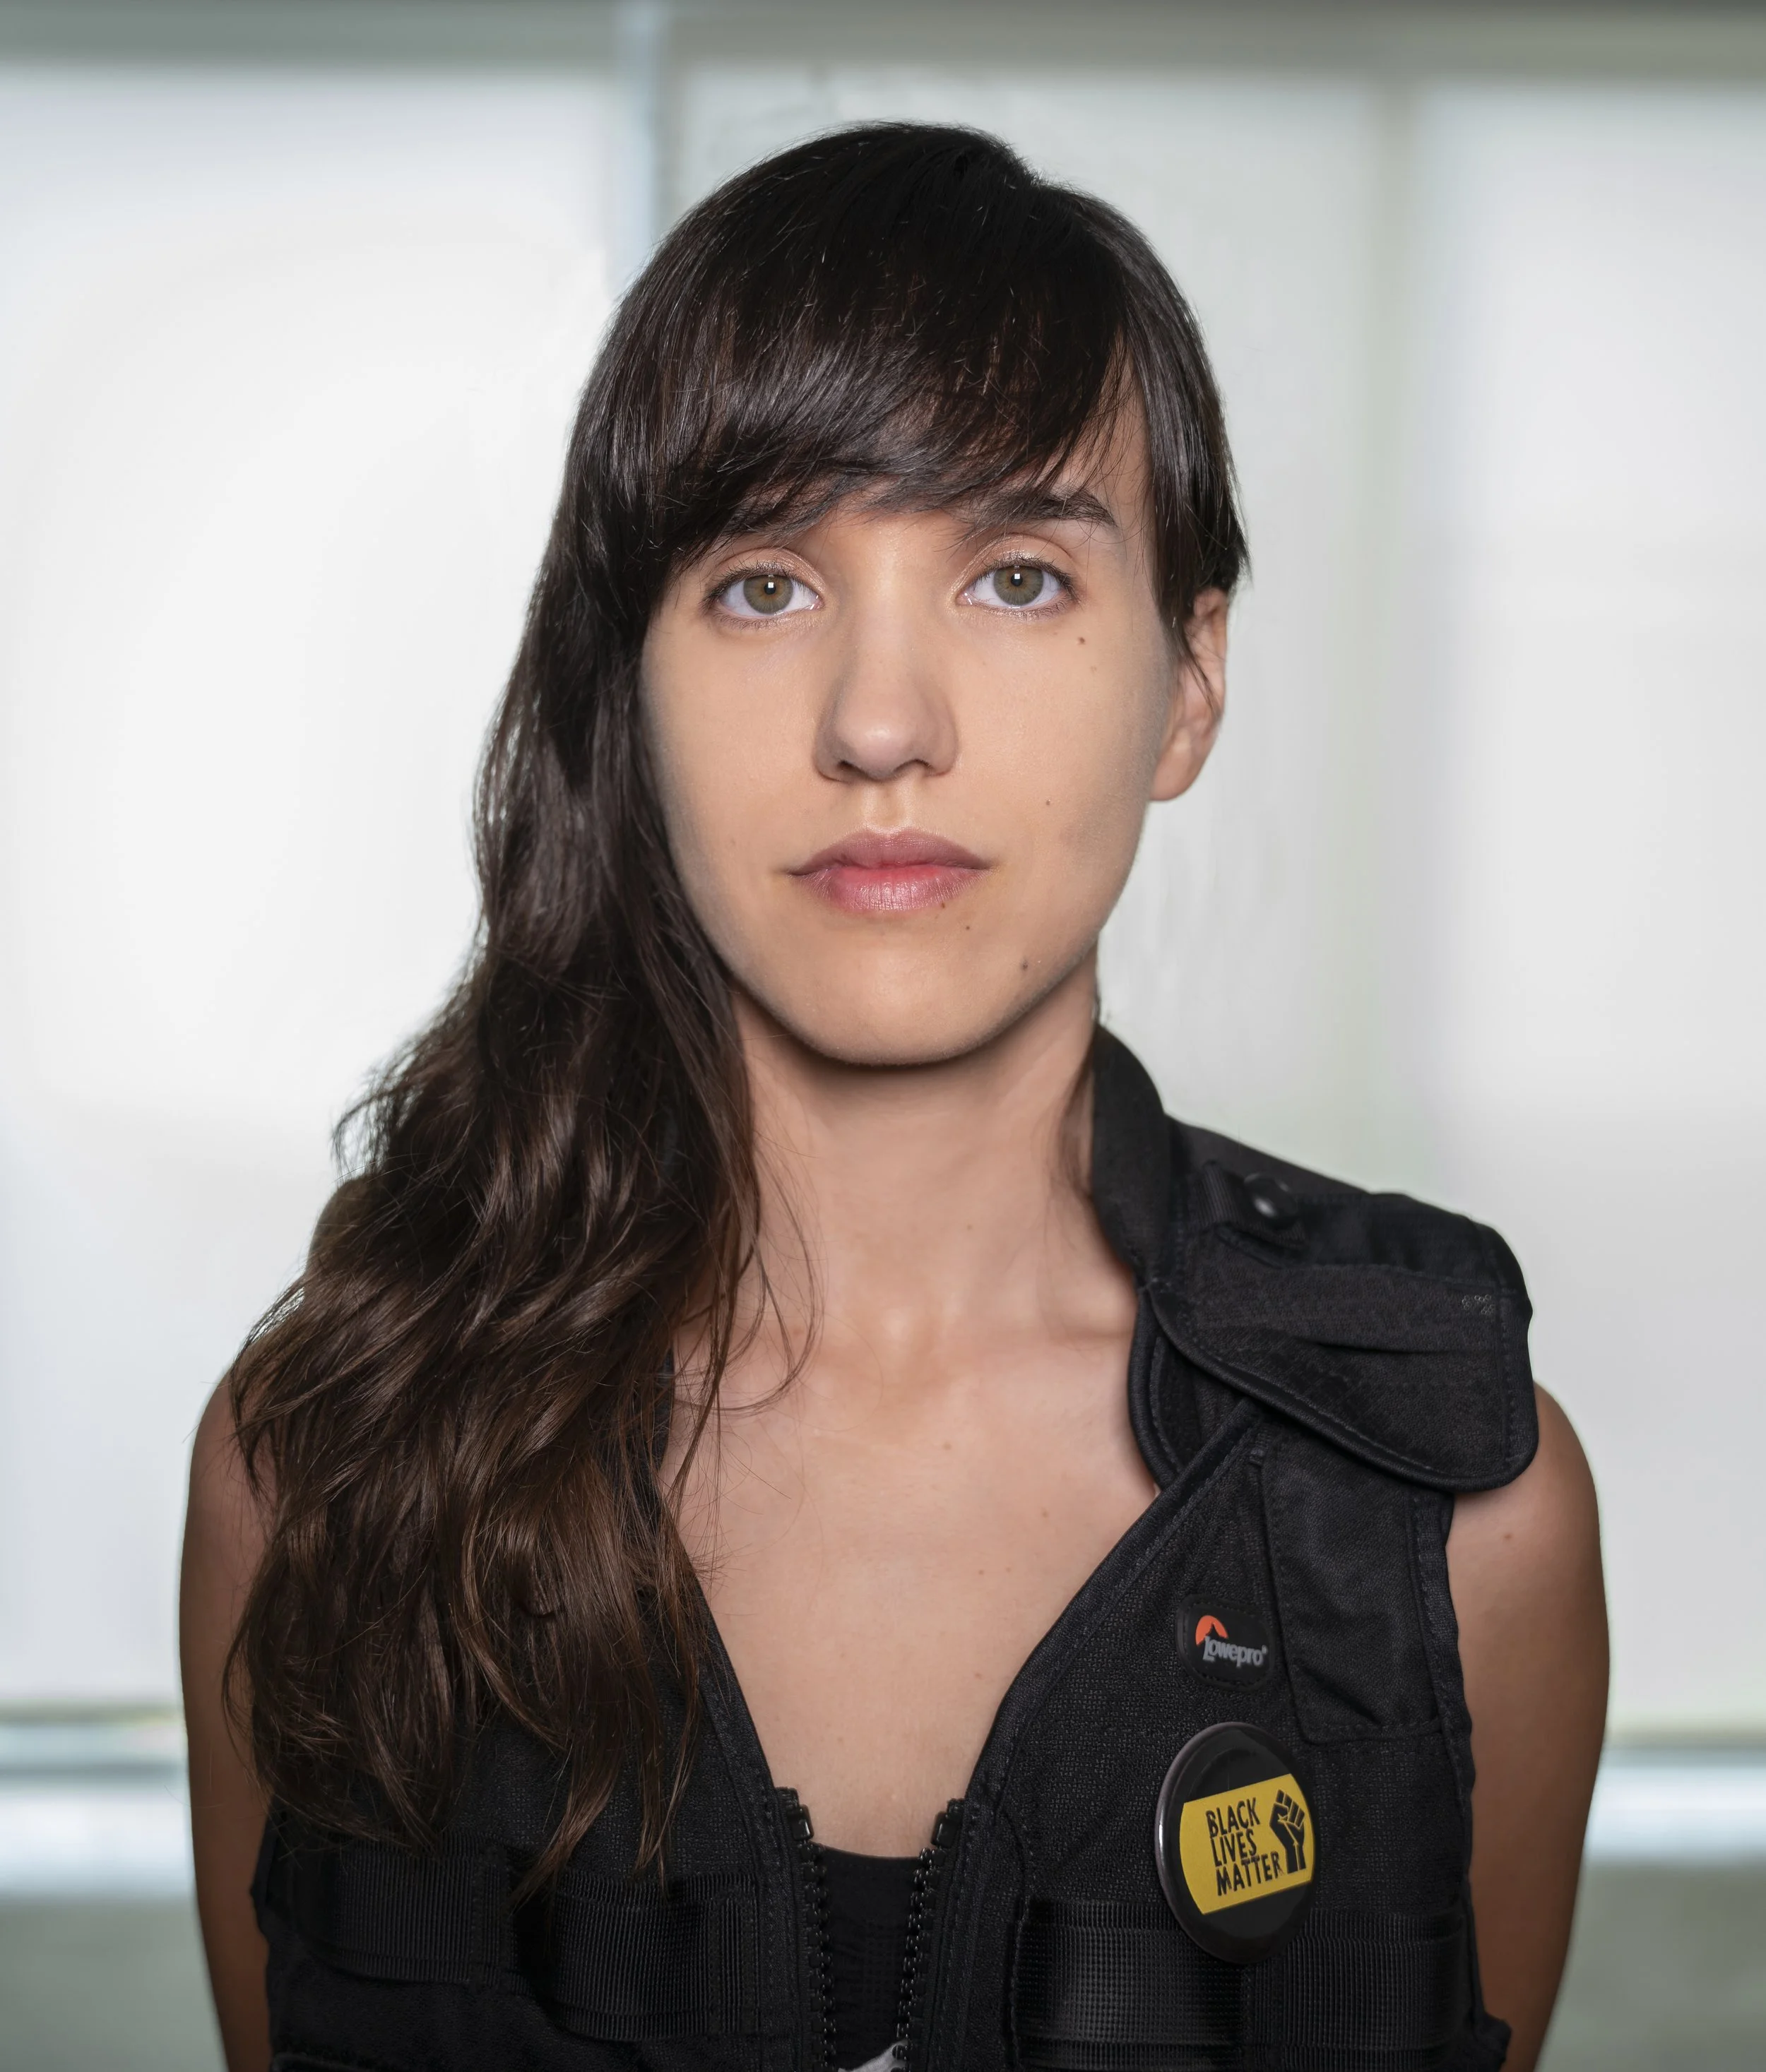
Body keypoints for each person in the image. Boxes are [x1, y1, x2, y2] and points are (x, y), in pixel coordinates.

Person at [181, 123, 1607, 2072]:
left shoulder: (1454, 1516)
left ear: (1187, 680)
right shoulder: (324, 1467)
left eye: (1015, 577)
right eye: (764, 585)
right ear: (634, 681)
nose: (878, 721)